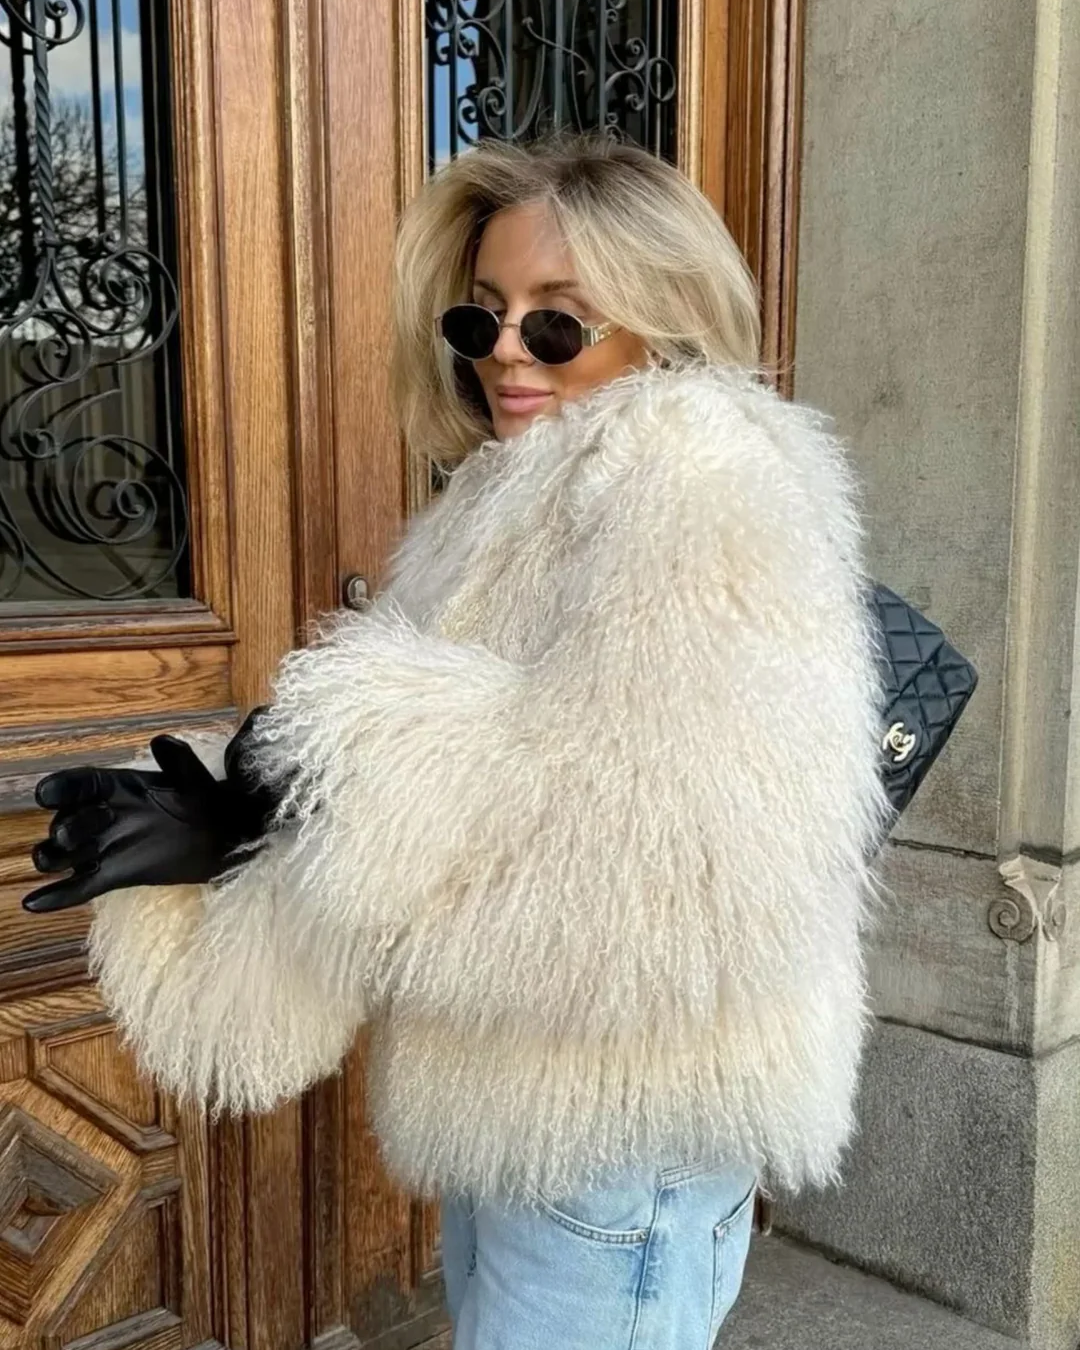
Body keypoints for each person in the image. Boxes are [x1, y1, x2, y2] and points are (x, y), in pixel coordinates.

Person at [25, 134, 891, 1349]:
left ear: (667, 320)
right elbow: (453, 749)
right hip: (518, 1102)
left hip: (623, 1124)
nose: (504, 353)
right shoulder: (505, 491)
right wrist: (240, 813)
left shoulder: (694, 473)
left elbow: (678, 852)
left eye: (557, 322)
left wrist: (320, 770)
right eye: (481, 316)